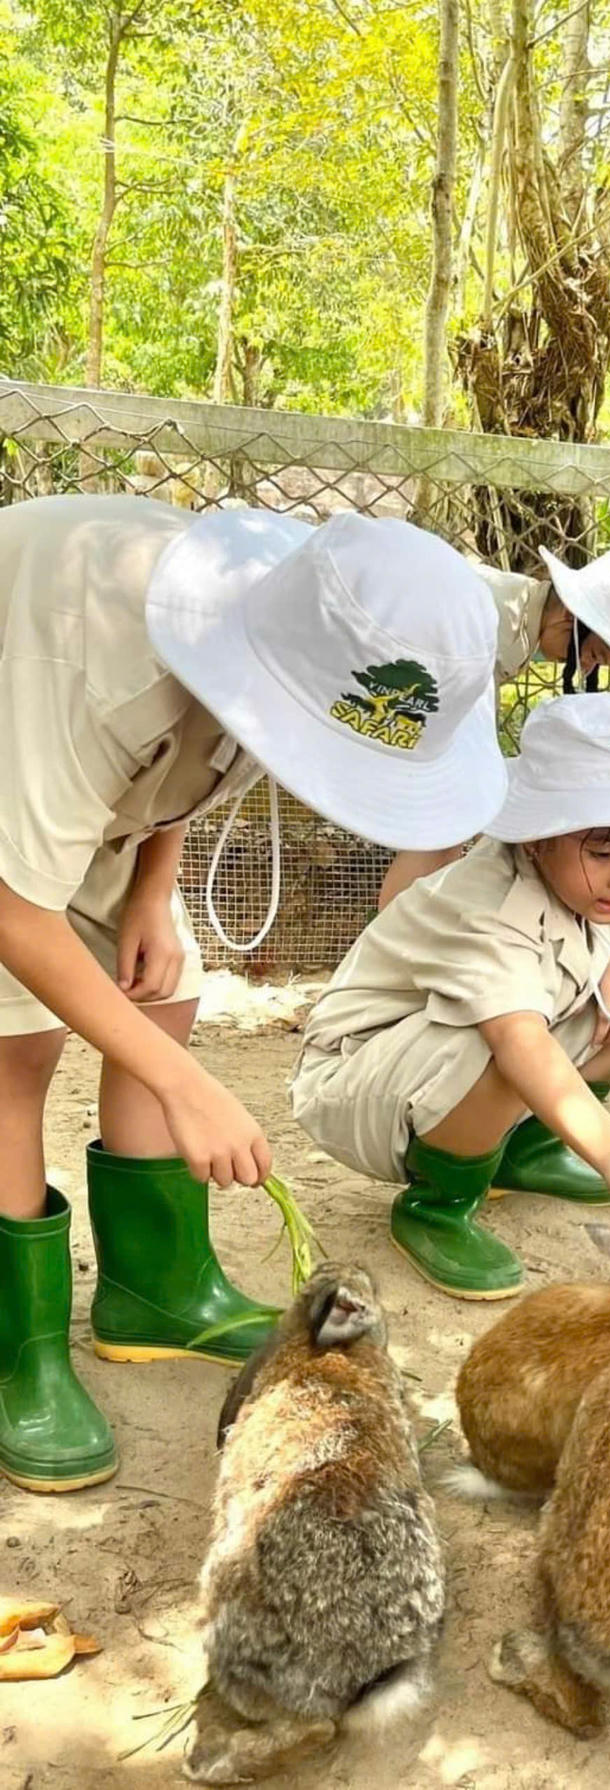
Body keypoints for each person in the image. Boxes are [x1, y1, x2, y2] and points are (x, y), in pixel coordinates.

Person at [0, 495, 507, 1492]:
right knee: (15, 1051)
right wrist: (188, 1089)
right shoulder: (92, 659)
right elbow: (15, 908)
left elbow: (197, 752)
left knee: (164, 990)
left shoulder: (271, 645)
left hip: (87, 795)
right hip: (19, 750)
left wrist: (151, 886)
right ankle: (19, 1350)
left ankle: (152, 1288)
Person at [292, 692, 610, 1301]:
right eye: (605, 852)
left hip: (435, 1056)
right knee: (507, 1056)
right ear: (536, 837)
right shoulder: (489, 905)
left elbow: (593, 929)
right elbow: (518, 1041)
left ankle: (524, 1154)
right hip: (353, 1079)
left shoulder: (582, 883)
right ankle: (439, 1201)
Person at [377, 546, 610, 907]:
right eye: (596, 654)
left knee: (454, 811)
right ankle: (400, 930)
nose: (590, 669)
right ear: (569, 615)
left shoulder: (513, 613)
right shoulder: (491, 621)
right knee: (449, 815)